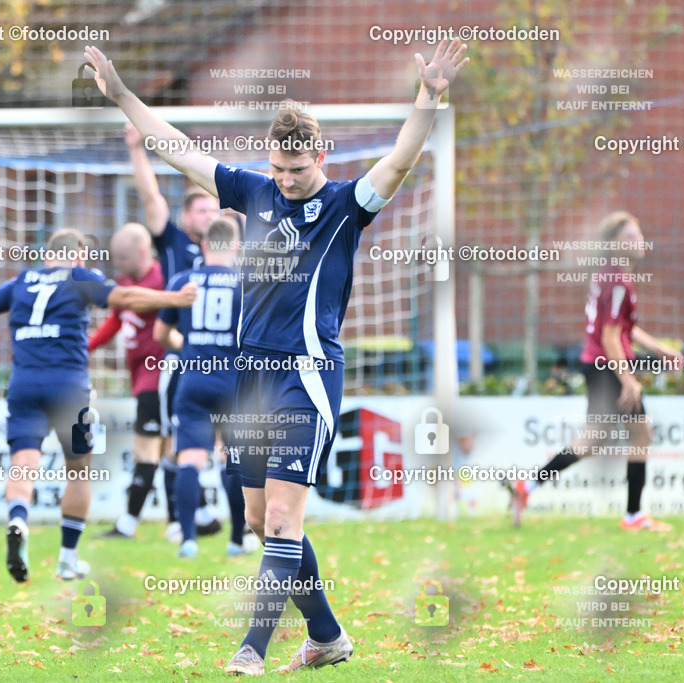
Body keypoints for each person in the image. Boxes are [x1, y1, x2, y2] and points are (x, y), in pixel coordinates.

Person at [82, 37, 468, 674]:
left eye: (299, 170)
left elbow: (398, 163)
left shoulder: (344, 206)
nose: (288, 182)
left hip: (307, 376)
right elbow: (178, 150)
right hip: (248, 379)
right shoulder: (254, 192)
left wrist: (428, 97)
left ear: (322, 154)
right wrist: (122, 94)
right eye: (280, 170)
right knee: (262, 521)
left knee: (285, 519)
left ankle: (249, 650)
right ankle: (327, 636)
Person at [0, 229, 197, 581]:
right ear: (79, 256)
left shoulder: (21, 282)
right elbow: (127, 296)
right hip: (68, 388)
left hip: (24, 386)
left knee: (23, 465)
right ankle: (68, 558)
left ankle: (18, 519)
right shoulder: (80, 277)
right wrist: (175, 299)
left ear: (46, 255)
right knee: (78, 470)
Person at [510, 212, 684, 531]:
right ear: (613, 246)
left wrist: (657, 348)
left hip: (596, 365)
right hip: (607, 367)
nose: (639, 241)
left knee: (592, 441)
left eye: (639, 234)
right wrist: (628, 380)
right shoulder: (618, 280)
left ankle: (528, 485)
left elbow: (622, 328)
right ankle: (633, 516)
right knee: (641, 434)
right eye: (630, 238)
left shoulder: (610, 275)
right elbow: (610, 337)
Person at [125, 122, 222, 542]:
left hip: (223, 362)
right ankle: (178, 521)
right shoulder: (175, 244)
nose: (210, 216)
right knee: (174, 437)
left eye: (215, 210)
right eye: (202, 210)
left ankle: (231, 524)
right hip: (181, 360)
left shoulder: (230, 252)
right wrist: (136, 149)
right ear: (187, 217)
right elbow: (152, 198)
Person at [154, 217, 249, 558]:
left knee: (190, 459)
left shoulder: (183, 281)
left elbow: (161, 335)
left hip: (193, 380)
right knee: (232, 460)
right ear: (237, 247)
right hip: (233, 383)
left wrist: (192, 346)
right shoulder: (247, 284)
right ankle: (238, 539)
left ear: (205, 245)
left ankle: (189, 540)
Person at [89, 223, 169, 539]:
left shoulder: (162, 281)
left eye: (123, 259)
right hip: (140, 378)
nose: (118, 266)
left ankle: (128, 523)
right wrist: (87, 347)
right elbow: (116, 318)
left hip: (158, 376)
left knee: (146, 450)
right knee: (168, 452)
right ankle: (196, 520)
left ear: (141, 251)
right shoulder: (125, 283)